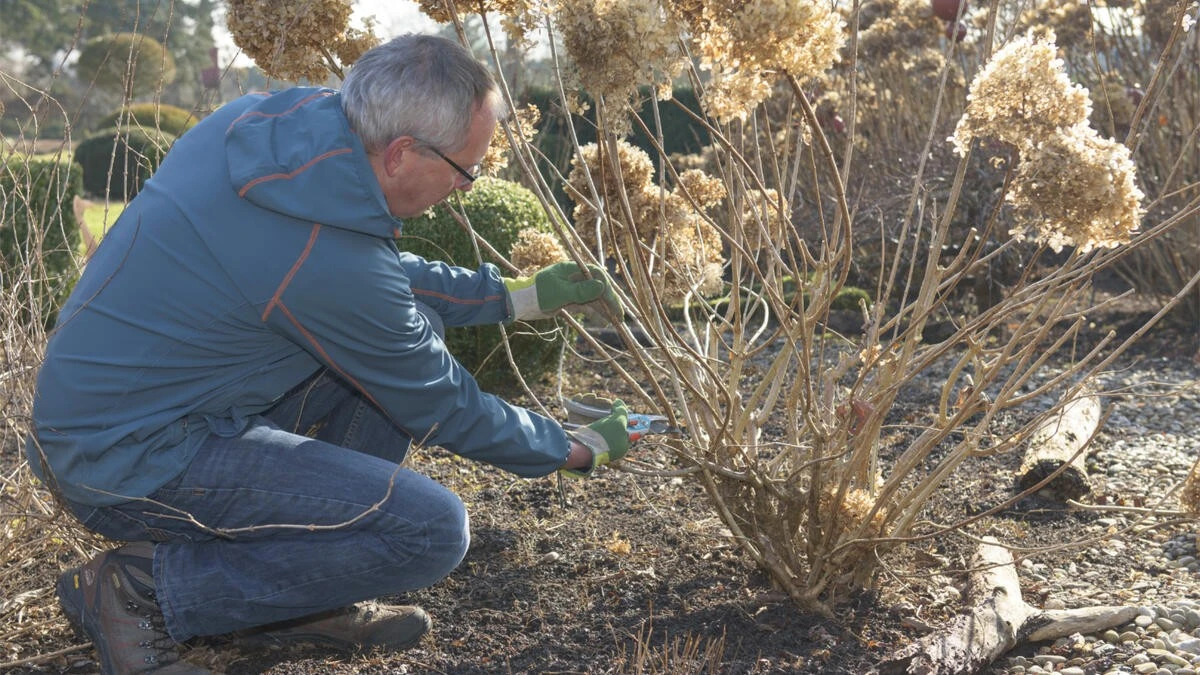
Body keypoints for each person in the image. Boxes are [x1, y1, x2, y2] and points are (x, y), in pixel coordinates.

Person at [28, 34, 632, 674]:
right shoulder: (324, 258)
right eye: (466, 169)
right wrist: (567, 448)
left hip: (115, 413)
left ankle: (298, 601)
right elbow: (439, 402)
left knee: (412, 323)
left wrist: (518, 296)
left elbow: (370, 286)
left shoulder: (264, 126)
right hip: (126, 462)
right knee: (430, 531)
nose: (465, 187)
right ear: (401, 153)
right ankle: (137, 591)